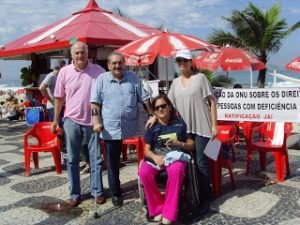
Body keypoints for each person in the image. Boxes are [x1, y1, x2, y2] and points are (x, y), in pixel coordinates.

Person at [148, 49, 218, 215]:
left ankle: (206, 198)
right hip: (184, 130)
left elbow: (212, 102)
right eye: (178, 61)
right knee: (183, 163)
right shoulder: (175, 83)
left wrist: (214, 125)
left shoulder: (200, 78)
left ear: (191, 62)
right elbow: (165, 104)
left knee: (201, 163)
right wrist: (154, 116)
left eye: (184, 60)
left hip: (202, 128)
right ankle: (189, 194)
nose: (181, 63)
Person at [90, 52, 153, 206]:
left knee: (147, 156)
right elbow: (94, 104)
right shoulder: (102, 80)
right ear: (109, 65)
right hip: (111, 128)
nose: (117, 66)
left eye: (120, 63)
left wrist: (152, 114)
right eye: (114, 63)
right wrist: (96, 122)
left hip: (132, 127)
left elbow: (144, 99)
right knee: (113, 163)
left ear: (124, 64)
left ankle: (149, 185)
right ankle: (116, 193)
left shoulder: (133, 78)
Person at [50, 41, 106, 207]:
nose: (80, 55)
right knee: (73, 159)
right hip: (71, 120)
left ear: (88, 53)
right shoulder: (64, 72)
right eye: (77, 53)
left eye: (83, 52)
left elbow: (107, 94)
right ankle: (74, 193)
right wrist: (55, 120)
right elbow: (59, 97)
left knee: (96, 159)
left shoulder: (99, 71)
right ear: (72, 55)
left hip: (93, 121)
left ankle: (97, 192)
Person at [139, 94, 194, 225]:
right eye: (157, 108)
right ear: (154, 111)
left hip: (175, 157)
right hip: (157, 158)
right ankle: (157, 209)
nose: (161, 109)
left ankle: (169, 213)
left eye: (163, 106)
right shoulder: (152, 127)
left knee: (176, 170)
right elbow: (146, 150)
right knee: (143, 172)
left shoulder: (180, 124)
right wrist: (154, 157)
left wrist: (179, 144)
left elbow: (191, 145)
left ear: (169, 107)